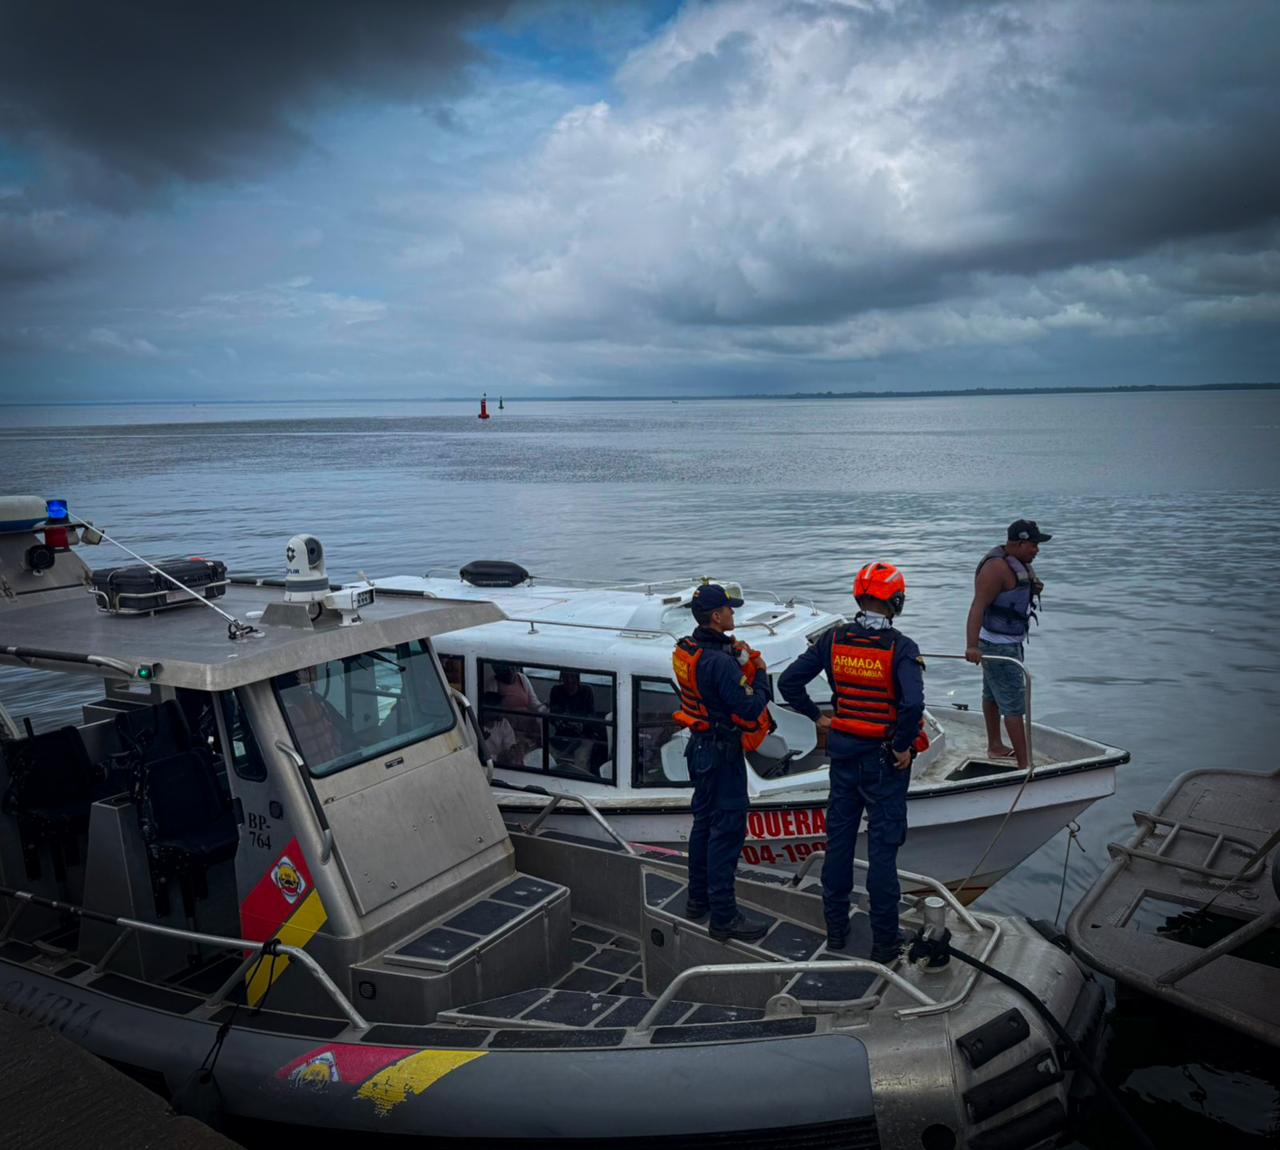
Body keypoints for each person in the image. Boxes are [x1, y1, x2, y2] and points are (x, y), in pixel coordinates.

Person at [778, 562, 926, 963]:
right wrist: (900, 746)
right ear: (896, 600)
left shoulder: (833, 639)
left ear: (858, 597)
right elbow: (912, 704)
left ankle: (838, 933)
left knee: (838, 845)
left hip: (842, 757)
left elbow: (788, 682)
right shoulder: (902, 648)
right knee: (882, 852)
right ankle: (883, 942)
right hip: (883, 762)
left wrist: (816, 715)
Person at [671, 583, 774, 944]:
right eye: (729, 610)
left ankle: (697, 901)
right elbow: (749, 707)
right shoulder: (718, 663)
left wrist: (733, 651)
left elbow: (710, 682)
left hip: (699, 749)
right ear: (717, 616)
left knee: (703, 825)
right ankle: (725, 918)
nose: (733, 614)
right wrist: (759, 673)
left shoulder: (689, 649)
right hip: (721, 753)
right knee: (726, 834)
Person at [964, 519, 1049, 769]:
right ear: (1020, 543)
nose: (1037, 550)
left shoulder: (1017, 564)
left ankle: (995, 746)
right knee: (1013, 704)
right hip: (998, 647)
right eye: (1033, 545)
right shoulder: (996, 568)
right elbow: (977, 606)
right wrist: (972, 646)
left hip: (1008, 643)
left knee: (991, 695)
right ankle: (1025, 765)